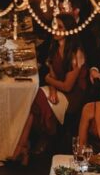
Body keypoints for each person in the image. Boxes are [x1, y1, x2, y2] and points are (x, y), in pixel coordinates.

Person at [13, 16, 87, 165]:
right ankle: (25, 144)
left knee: (38, 97)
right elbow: (53, 76)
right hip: (58, 88)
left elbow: (68, 86)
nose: (55, 30)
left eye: (60, 27)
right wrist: (52, 90)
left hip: (73, 96)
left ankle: (28, 144)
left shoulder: (76, 53)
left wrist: (47, 80)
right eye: (54, 26)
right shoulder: (54, 47)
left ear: (70, 30)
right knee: (36, 97)